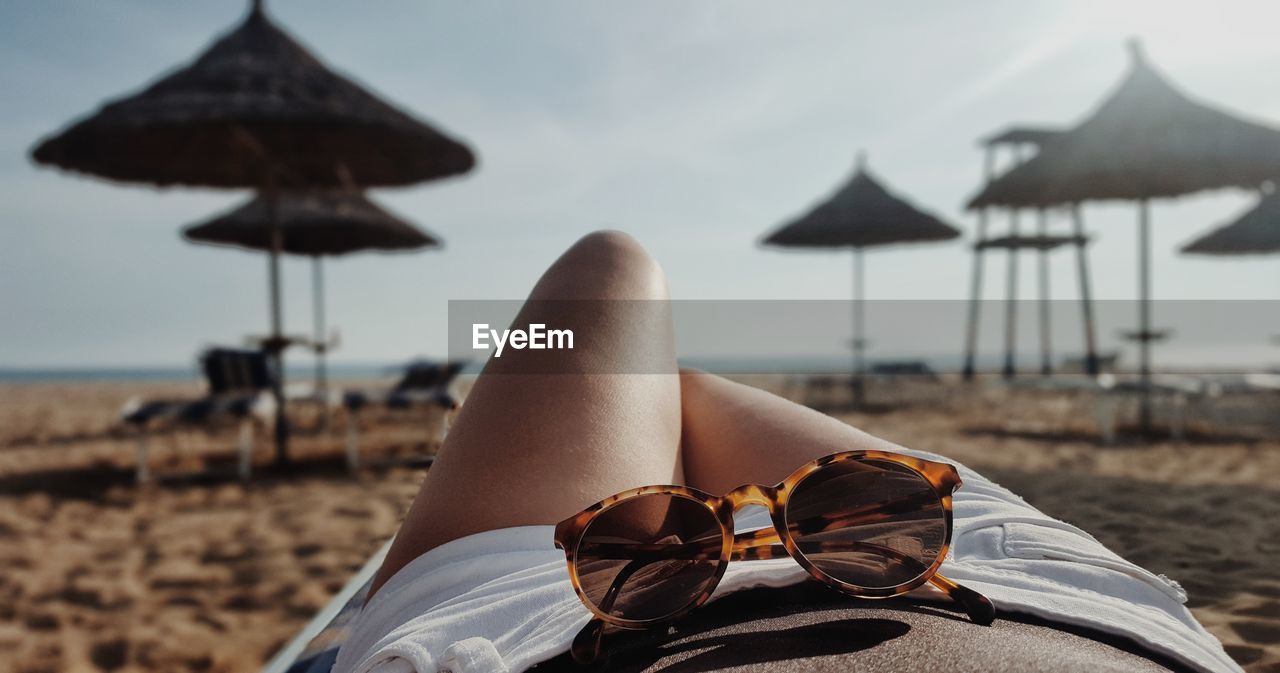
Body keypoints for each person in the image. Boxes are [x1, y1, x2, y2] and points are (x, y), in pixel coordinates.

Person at [333, 232, 1240, 673]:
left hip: (533, 626)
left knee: (613, 276)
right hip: (984, 570)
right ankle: (651, 395)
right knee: (658, 365)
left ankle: (641, 393)